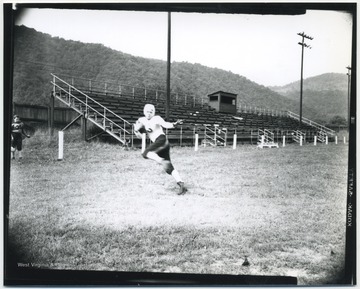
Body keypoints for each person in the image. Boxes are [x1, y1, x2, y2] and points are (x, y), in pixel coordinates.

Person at [134, 104, 187, 195]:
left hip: (161, 140)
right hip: (162, 144)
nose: (149, 113)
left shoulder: (157, 118)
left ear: (154, 112)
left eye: (151, 111)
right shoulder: (141, 120)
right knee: (168, 168)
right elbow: (139, 136)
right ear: (144, 111)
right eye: (147, 111)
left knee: (145, 153)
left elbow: (165, 124)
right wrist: (136, 130)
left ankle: (160, 160)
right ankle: (181, 184)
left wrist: (174, 124)